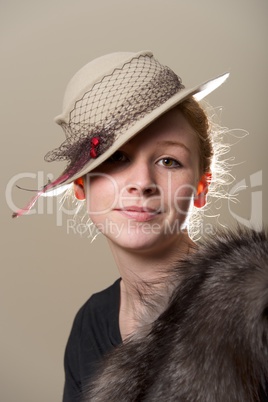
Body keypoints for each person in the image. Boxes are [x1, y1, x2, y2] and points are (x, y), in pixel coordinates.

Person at [12, 51, 230, 401]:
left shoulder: (255, 305)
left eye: (168, 161)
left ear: (201, 188)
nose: (142, 182)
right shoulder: (91, 324)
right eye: (116, 158)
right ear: (81, 186)